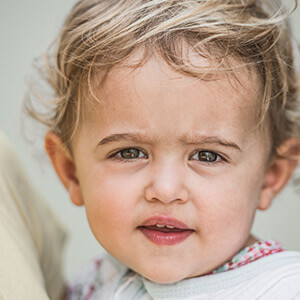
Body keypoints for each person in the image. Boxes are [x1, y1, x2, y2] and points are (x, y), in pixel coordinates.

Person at [25, 0, 300, 298]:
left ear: (271, 174)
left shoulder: (281, 288)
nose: (165, 190)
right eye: (129, 152)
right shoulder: (93, 282)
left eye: (207, 156)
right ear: (71, 171)